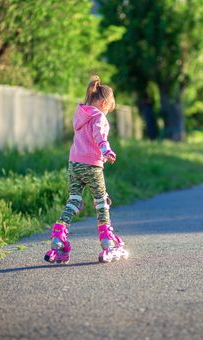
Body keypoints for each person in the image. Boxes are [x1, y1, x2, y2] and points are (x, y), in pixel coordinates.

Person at [44, 75, 128, 264]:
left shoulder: (80, 113)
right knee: (101, 202)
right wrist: (107, 150)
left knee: (74, 201)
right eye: (109, 107)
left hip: (74, 164)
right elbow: (99, 135)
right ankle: (107, 243)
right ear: (104, 102)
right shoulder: (98, 116)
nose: (107, 111)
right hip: (92, 165)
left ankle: (58, 236)